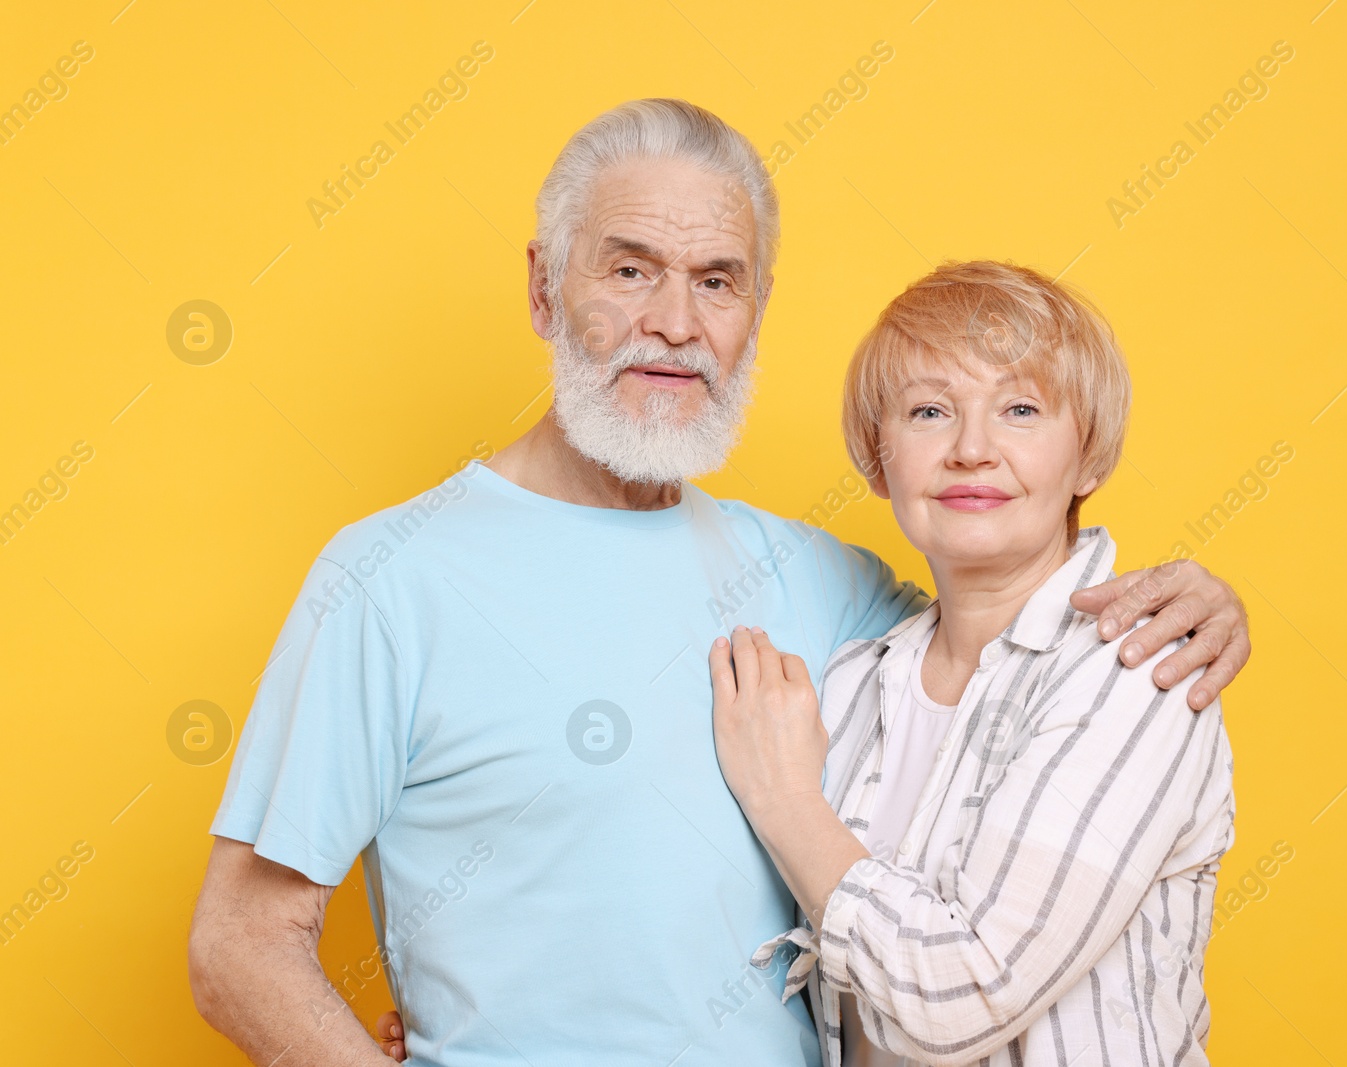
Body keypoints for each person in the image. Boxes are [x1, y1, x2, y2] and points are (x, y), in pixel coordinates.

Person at [186, 99, 1251, 1067]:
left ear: (756, 309)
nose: (676, 324)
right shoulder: (391, 577)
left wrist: (1197, 602)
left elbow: (1011, 647)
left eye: (716, 280)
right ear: (544, 288)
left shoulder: (830, 583)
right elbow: (240, 943)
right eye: (630, 269)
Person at [708, 261, 1233, 1066]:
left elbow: (962, 999)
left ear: (1088, 459)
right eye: (928, 411)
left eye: (1020, 408)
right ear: (880, 463)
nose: (972, 449)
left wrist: (784, 800)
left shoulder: (1139, 668)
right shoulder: (852, 681)